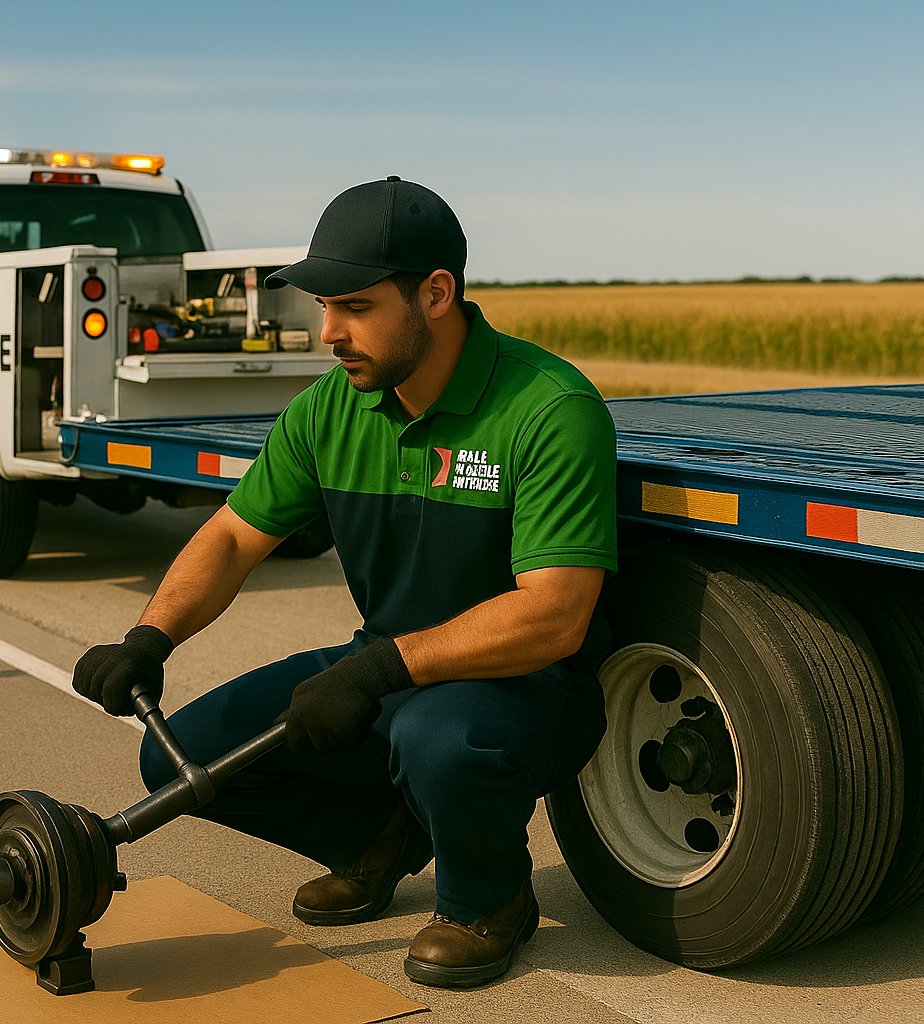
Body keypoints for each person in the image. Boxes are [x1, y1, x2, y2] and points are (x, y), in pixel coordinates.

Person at [73, 176, 616, 989]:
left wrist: (376, 671)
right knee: (175, 757)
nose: (328, 330)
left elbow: (556, 616)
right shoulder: (330, 409)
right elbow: (230, 536)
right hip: (389, 667)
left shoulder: (548, 408)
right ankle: (379, 838)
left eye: (355, 306)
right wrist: (152, 637)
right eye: (323, 305)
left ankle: (488, 904)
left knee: (437, 738)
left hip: (528, 688)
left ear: (436, 294)